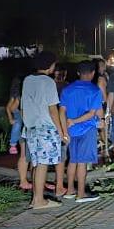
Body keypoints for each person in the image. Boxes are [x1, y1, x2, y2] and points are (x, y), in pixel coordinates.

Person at [22, 51, 67, 210]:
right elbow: (53, 109)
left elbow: (24, 106)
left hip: (31, 128)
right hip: (46, 128)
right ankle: (40, 200)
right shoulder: (48, 82)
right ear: (49, 65)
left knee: (36, 164)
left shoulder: (27, 80)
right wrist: (62, 132)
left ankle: (35, 199)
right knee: (42, 164)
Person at [59, 61, 103, 203]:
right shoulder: (95, 90)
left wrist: (65, 130)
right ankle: (81, 194)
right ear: (92, 73)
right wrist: (75, 121)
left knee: (73, 160)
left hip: (71, 131)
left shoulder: (67, 89)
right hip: (86, 129)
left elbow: (62, 111)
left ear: (78, 73)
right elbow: (92, 114)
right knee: (82, 162)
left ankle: (70, 190)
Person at [6, 76, 31, 190]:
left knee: (27, 154)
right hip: (22, 121)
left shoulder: (19, 95)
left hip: (24, 121)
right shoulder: (18, 97)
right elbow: (11, 108)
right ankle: (23, 180)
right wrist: (11, 117)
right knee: (25, 154)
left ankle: (27, 179)